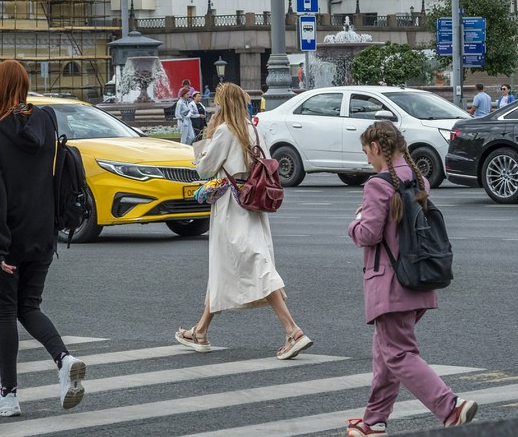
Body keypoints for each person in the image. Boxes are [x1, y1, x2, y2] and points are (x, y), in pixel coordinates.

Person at [345, 121, 477, 437]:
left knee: (399, 354)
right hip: (418, 279)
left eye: (366, 152)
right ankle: (374, 421)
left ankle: (450, 406)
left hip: (390, 285)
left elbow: (368, 234)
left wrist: (355, 220)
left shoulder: (378, 184)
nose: (366, 160)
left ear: (377, 147)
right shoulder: (418, 179)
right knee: (387, 355)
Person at [175, 82, 313, 360]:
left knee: (255, 261)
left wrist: (209, 135)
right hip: (253, 202)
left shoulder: (225, 131)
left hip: (232, 205)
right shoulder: (253, 130)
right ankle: (200, 330)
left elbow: (204, 167)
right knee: (227, 265)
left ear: (223, 105)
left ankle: (292, 330)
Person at [0, 60, 86, 417]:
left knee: (6, 311)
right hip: (44, 231)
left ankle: (8, 394)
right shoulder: (47, 119)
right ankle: (63, 358)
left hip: (10, 236)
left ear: (5, 87)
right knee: (30, 306)